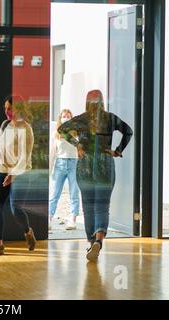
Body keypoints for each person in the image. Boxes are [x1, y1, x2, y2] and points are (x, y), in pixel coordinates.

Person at [58, 90, 133, 262]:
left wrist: (77, 145)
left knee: (88, 206)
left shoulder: (82, 119)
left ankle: (92, 242)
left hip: (85, 165)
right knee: (102, 206)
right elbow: (128, 131)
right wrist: (117, 151)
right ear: (102, 102)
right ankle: (98, 240)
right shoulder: (110, 118)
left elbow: (62, 130)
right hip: (105, 165)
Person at [0, 95, 36, 256]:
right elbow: (0, 147)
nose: (7, 111)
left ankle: (28, 232)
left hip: (20, 173)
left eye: (10, 108)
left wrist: (13, 174)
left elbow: (24, 157)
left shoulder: (25, 128)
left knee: (15, 209)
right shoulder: (5, 125)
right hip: (1, 170)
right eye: (6, 108)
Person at [49, 109, 80, 231]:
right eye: (63, 116)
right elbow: (52, 152)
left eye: (68, 116)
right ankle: (49, 218)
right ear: (60, 118)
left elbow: (81, 151)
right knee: (55, 194)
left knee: (74, 194)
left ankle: (72, 220)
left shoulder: (77, 134)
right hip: (60, 164)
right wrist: (50, 169)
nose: (66, 118)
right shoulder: (56, 134)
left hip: (74, 164)